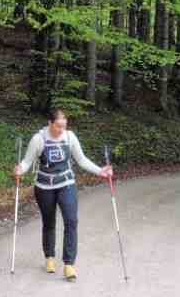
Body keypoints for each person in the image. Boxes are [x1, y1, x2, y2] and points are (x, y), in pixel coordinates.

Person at [14, 108, 112, 282]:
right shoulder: (39, 139)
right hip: (44, 186)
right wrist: (20, 169)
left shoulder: (69, 137)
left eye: (64, 126)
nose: (61, 130)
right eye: (58, 126)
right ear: (50, 123)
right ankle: (49, 257)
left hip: (66, 183)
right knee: (49, 222)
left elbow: (81, 160)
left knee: (71, 221)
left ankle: (69, 264)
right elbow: (27, 161)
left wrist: (100, 171)